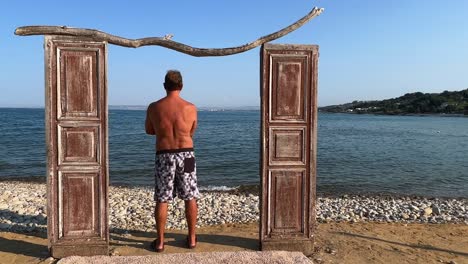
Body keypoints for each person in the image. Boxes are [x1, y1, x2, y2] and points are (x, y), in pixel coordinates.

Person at [145, 70, 199, 252]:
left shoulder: (154, 107)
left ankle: (160, 242)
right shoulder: (190, 107)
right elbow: (191, 131)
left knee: (162, 198)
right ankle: (191, 239)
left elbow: (149, 130)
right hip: (187, 154)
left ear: (164, 86)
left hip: (164, 155)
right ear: (181, 86)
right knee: (190, 196)